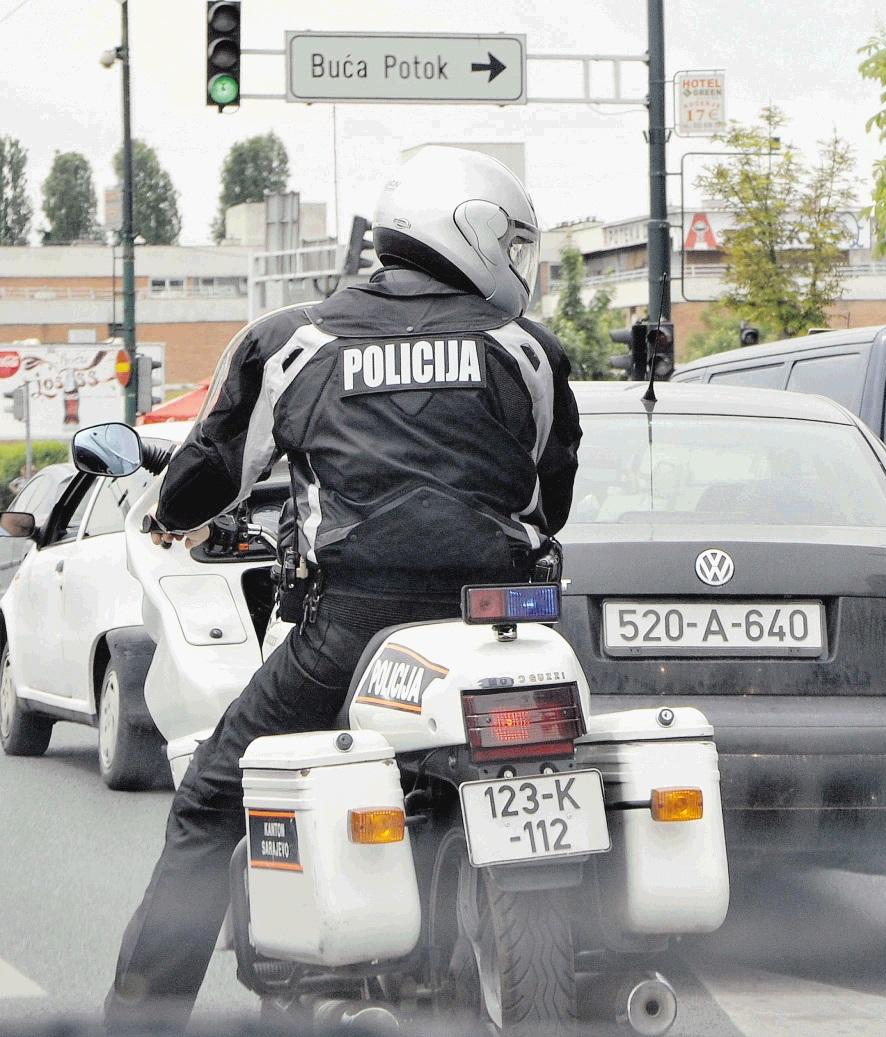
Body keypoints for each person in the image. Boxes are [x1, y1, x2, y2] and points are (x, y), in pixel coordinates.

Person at [104, 146, 582, 1030]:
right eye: (514, 240)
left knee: (211, 801)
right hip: (505, 626)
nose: (520, 260)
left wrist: (169, 506)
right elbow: (552, 496)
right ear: (470, 229)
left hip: (351, 629)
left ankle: (141, 1019)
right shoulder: (528, 350)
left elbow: (208, 476)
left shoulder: (294, 341)